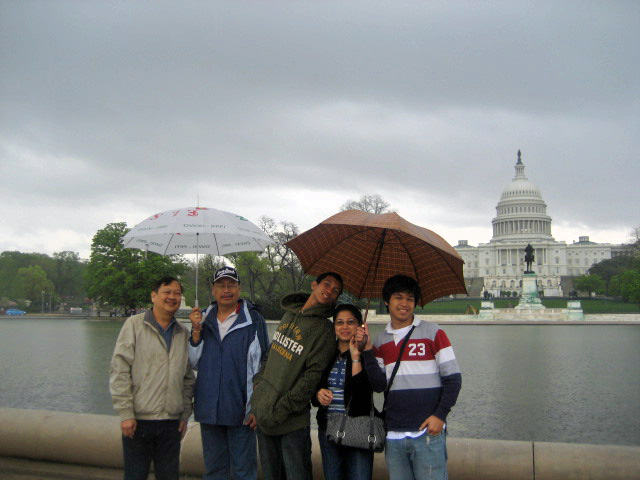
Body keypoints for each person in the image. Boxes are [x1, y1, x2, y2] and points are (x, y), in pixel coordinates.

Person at [356, 275, 462, 480]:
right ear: (387, 301)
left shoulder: (433, 332)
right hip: (394, 434)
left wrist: (440, 416)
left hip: (427, 433)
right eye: (398, 297)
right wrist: (367, 349)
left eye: (410, 299)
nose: (405, 304)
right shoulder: (380, 340)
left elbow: (453, 379)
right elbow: (379, 385)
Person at [251, 272, 344, 480]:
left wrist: (281, 409)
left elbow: (311, 378)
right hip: (265, 413)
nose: (329, 290)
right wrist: (259, 386)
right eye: (326, 284)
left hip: (292, 422)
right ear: (314, 285)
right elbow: (270, 354)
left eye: (335, 290)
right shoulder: (288, 314)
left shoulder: (325, 330)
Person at [109, 277, 195, 480]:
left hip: (171, 423)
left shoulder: (182, 333)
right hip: (139, 420)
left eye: (176, 293)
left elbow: (188, 378)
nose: (172, 297)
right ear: (153, 295)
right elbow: (119, 370)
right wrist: (126, 413)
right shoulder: (134, 325)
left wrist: (184, 415)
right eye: (167, 292)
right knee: (135, 475)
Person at [188, 266, 269, 480]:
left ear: (239, 288)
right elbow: (192, 362)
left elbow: (264, 364)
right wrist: (196, 330)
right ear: (213, 290)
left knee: (244, 471)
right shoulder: (202, 319)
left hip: (241, 409)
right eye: (221, 285)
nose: (226, 290)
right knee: (214, 471)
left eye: (231, 285)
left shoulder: (253, 320)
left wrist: (257, 406)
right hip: (209, 409)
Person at [313, 304, 376, 480]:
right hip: (329, 427)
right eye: (339, 322)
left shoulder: (366, 353)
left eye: (350, 322)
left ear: (359, 325)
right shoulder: (325, 352)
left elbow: (366, 392)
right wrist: (318, 393)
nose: (345, 327)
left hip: (358, 428)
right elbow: (312, 384)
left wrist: (356, 357)